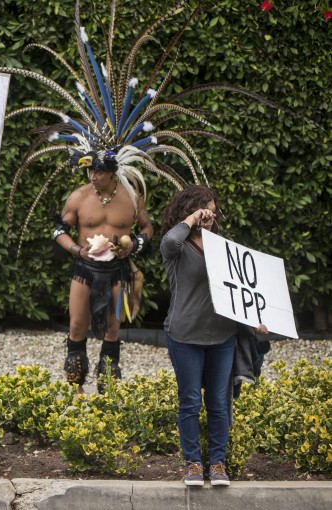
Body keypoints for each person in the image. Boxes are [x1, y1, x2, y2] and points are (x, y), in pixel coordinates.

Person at [160, 185, 268, 486]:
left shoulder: (224, 248)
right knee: (190, 402)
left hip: (222, 338)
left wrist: (256, 322)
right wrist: (193, 219)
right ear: (190, 210)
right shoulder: (177, 248)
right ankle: (193, 464)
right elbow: (169, 239)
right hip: (184, 337)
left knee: (219, 404)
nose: (212, 213)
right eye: (205, 208)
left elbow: (244, 290)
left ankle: (218, 464)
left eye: (212, 209)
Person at [54, 150, 153, 392]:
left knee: (113, 328)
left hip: (118, 269)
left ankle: (107, 387)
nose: (93, 176)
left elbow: (147, 227)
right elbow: (59, 231)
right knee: (77, 325)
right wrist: (78, 250)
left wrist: (133, 247)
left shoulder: (131, 197)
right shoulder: (79, 197)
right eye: (90, 170)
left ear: (112, 173)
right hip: (85, 268)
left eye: (98, 171)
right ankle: (76, 387)